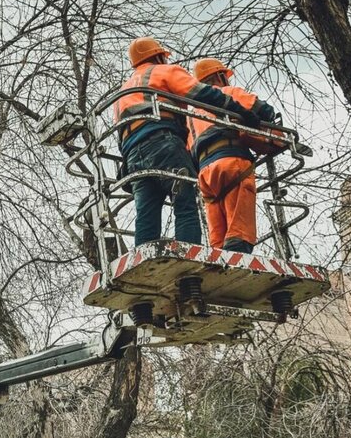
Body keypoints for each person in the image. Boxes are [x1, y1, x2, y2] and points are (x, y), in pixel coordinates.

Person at [113, 38, 264, 323]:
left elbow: (122, 131)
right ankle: (188, 271)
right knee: (184, 203)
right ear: (159, 57)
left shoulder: (124, 90)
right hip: (164, 144)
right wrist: (241, 112)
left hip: (134, 157)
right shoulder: (163, 73)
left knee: (147, 216)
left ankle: (143, 294)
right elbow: (201, 93)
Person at [187, 58, 279, 254]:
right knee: (239, 226)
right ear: (220, 76)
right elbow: (264, 111)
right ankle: (239, 253)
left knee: (218, 232)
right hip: (231, 162)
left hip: (205, 174)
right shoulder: (227, 93)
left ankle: (218, 259)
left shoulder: (190, 115)